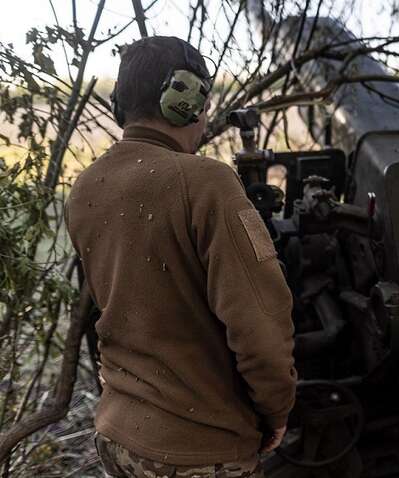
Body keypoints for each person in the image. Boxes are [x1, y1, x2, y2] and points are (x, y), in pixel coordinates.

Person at [64, 36, 297, 478]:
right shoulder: (206, 182)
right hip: (198, 451)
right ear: (185, 99)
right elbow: (260, 325)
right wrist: (276, 412)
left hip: (118, 437)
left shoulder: (85, 188)